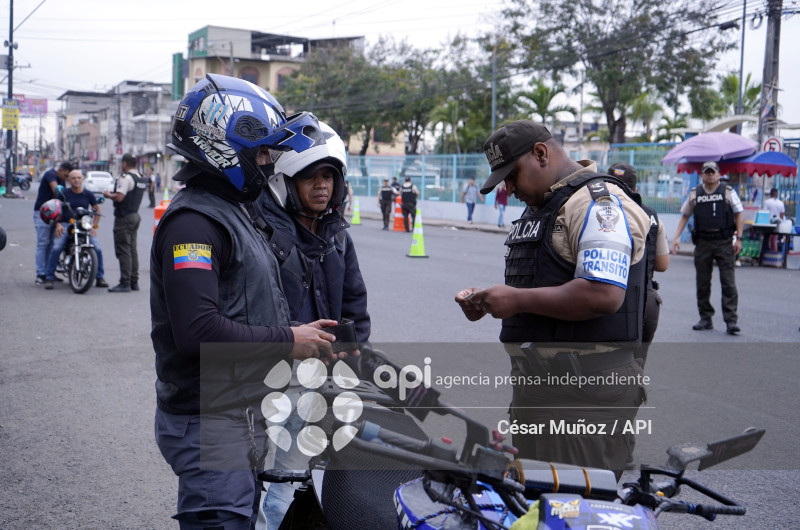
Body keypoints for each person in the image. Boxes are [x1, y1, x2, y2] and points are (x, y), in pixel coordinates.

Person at [152, 74, 343, 530]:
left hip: (238, 412)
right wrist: (287, 340)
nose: (265, 161)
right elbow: (197, 333)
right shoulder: (194, 224)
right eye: (259, 151)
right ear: (221, 143)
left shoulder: (233, 210)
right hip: (208, 418)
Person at [455, 120, 650, 476]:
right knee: (533, 510)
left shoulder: (598, 205)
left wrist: (515, 301)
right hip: (542, 392)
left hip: (582, 399)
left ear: (541, 154)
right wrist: (489, 302)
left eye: (511, 176)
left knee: (573, 512)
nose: (509, 188)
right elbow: (542, 283)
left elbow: (603, 293)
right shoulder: (546, 205)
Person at [254, 121, 370, 528]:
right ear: (286, 182)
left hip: (319, 378)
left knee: (292, 475)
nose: (321, 186)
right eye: (310, 177)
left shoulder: (337, 234)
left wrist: (352, 356)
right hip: (265, 374)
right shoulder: (261, 232)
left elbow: (355, 305)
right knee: (253, 477)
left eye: (328, 177)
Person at [671, 161, 743, 335]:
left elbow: (738, 213)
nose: (710, 175)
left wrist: (739, 238)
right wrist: (676, 238)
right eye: (707, 172)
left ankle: (731, 321)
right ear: (702, 175)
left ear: (718, 174)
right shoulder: (696, 193)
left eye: (713, 172)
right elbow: (685, 215)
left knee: (728, 283)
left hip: (724, 242)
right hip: (703, 243)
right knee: (702, 283)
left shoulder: (727, 191)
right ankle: (705, 318)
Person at [608, 162, 669, 367]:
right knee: (636, 365)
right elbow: (662, 264)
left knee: (605, 366)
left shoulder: (597, 211)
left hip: (607, 297)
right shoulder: (651, 215)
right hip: (646, 301)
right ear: (635, 188)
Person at [44, 169, 109, 289]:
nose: (76, 180)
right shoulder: (64, 194)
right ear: (69, 180)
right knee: (57, 247)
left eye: (79, 178)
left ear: (82, 180)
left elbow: (97, 210)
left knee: (98, 249)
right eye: (73, 178)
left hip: (84, 225)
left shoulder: (89, 194)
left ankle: (100, 277)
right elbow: (56, 210)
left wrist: (94, 226)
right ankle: (49, 277)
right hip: (66, 224)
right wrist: (58, 225)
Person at [103, 153, 149, 293]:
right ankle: (134, 281)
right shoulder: (140, 178)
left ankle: (125, 282)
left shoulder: (126, 177)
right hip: (135, 215)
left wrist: (108, 195)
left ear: (125, 163)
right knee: (132, 250)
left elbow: (120, 197)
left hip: (124, 217)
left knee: (123, 250)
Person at [33, 162, 73, 284]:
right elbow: (56, 192)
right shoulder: (51, 175)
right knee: (43, 243)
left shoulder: (61, 180)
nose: (66, 179)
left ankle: (49, 272)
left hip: (56, 214)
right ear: (60, 170)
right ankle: (40, 274)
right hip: (43, 213)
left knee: (51, 244)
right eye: (65, 176)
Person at [763, 188, 785, 252]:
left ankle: (768, 253)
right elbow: (782, 215)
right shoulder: (781, 203)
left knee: (768, 239)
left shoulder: (766, 202)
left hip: (768, 224)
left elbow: (764, 213)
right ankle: (774, 253)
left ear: (770, 194)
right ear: (777, 194)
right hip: (777, 224)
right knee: (774, 239)